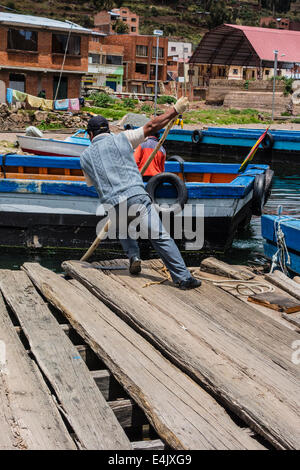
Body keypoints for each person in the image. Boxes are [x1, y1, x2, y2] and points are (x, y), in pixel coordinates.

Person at [80, 97, 201, 290]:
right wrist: (175, 110)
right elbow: (152, 125)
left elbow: (92, 183)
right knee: (160, 237)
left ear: (90, 135)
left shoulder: (84, 157)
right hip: (136, 195)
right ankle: (183, 278)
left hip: (113, 201)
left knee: (121, 223)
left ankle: (134, 256)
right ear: (108, 130)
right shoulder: (123, 138)